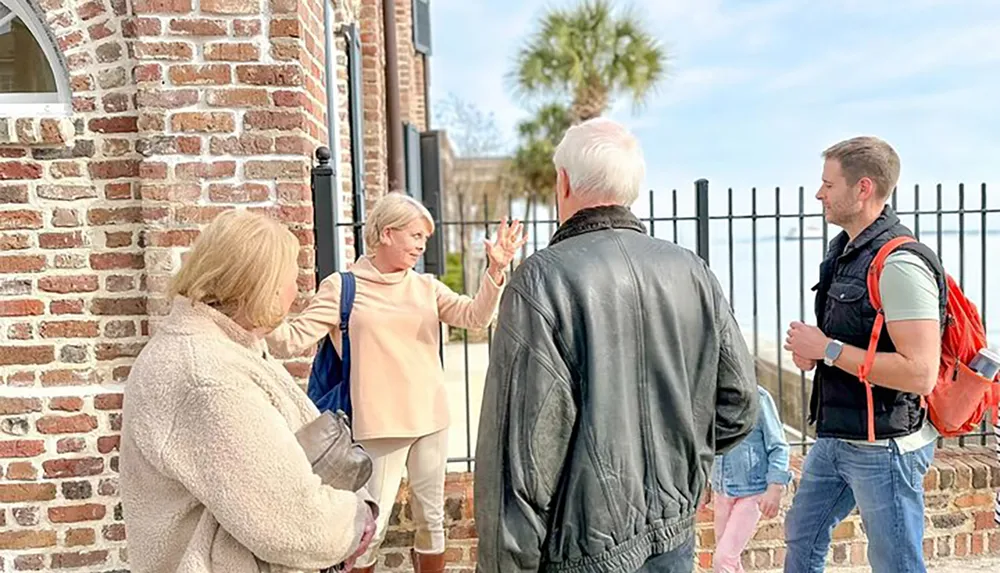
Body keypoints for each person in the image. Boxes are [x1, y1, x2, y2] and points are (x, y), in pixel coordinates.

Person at [473, 117, 760, 573]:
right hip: (671, 536)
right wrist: (681, 467)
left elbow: (520, 460)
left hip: (581, 550)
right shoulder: (691, 271)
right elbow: (740, 404)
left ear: (562, 182)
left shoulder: (543, 279)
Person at [266, 192, 527, 573]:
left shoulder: (426, 287)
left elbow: (475, 316)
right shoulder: (343, 288)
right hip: (378, 426)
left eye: (425, 238)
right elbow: (289, 339)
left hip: (431, 419)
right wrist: (260, 302)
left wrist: (495, 271)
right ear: (386, 233)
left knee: (432, 523)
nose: (421, 245)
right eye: (415, 235)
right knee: (370, 527)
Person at [120, 210, 377, 573]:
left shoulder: (225, 348)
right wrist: (357, 520)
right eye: (290, 278)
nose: (296, 290)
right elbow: (292, 521)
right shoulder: (208, 377)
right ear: (261, 286)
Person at [783, 136, 944, 573]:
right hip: (836, 435)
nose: (819, 194)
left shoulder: (900, 263)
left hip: (886, 447)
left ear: (863, 188)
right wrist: (816, 354)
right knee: (801, 539)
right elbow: (858, 341)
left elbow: (921, 374)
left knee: (896, 563)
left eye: (827, 184)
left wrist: (829, 349)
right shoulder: (844, 252)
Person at [708, 386, 793, 573]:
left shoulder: (759, 398)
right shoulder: (708, 396)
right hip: (721, 490)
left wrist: (775, 486)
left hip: (752, 492)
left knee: (723, 560)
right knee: (730, 560)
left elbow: (779, 446)